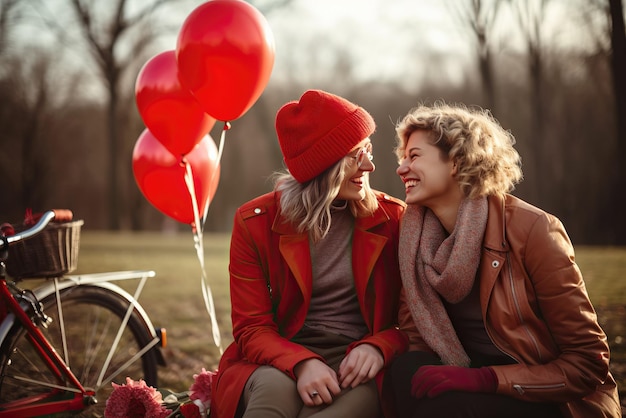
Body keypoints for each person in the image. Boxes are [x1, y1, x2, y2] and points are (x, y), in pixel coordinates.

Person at [389, 102, 622, 418]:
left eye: (414, 156)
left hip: (544, 397)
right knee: (405, 371)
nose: (402, 168)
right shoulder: (413, 237)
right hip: (466, 377)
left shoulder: (532, 229)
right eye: (403, 157)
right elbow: (417, 340)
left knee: (445, 407)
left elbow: (587, 362)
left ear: (457, 161)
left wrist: (484, 379)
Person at [211, 89, 408, 418]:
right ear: (322, 164)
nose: (369, 165)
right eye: (355, 155)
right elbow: (251, 327)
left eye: (368, 151)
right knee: (270, 403)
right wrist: (302, 363)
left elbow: (413, 323)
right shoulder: (255, 223)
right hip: (278, 353)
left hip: (356, 360)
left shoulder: (393, 219)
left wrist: (380, 346)